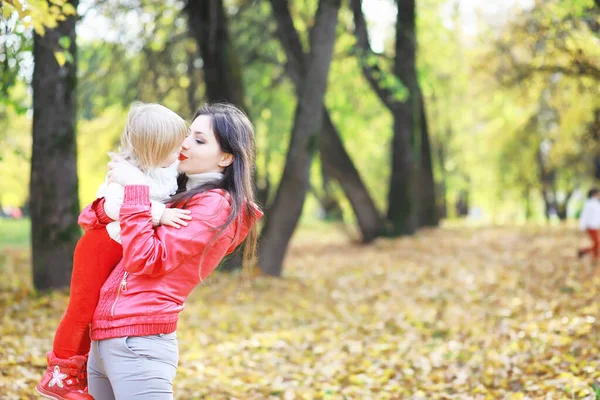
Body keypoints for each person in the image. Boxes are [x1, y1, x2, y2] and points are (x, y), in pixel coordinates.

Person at [82, 103, 261, 399]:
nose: (185, 144)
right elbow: (90, 221)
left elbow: (145, 259)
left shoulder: (215, 206)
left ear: (226, 157)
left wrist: (136, 189)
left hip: (140, 342)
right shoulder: (172, 194)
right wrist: (119, 192)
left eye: (200, 140)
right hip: (105, 336)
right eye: (188, 134)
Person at [36, 103, 190, 400]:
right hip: (100, 245)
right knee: (82, 308)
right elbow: (112, 206)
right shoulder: (125, 172)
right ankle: (60, 375)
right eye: (172, 148)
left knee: (95, 311)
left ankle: (79, 375)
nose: (179, 153)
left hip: (122, 249)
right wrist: (159, 214)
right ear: (151, 150)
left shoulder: (167, 167)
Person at [578, 188, 600, 262]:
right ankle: (585, 252)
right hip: (590, 226)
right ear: (594, 194)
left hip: (595, 226)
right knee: (597, 243)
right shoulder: (589, 204)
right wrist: (582, 226)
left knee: (597, 243)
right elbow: (584, 216)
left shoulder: (596, 203)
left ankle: (592, 256)